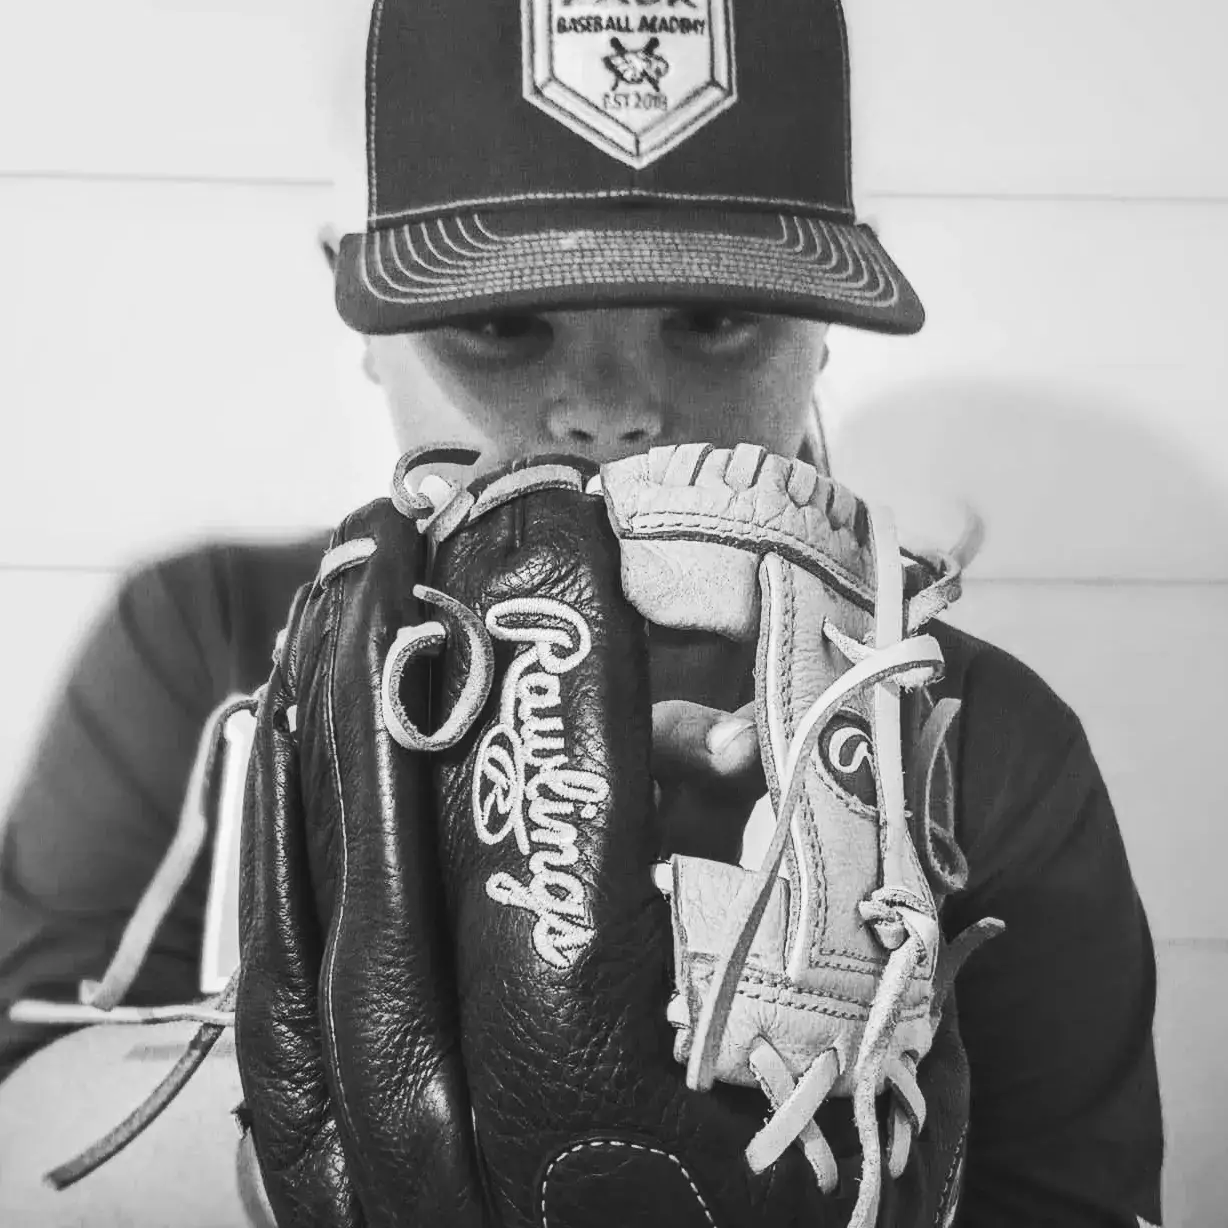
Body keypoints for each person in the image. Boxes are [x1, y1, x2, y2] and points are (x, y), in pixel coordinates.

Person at [0, 1, 1163, 1225]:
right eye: (504, 322)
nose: (610, 408)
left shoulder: (965, 734)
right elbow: (22, 1132)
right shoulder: (220, 636)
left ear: (821, 329)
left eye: (713, 317)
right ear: (360, 318)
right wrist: (304, 1129)